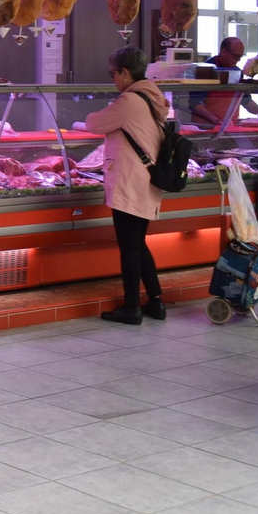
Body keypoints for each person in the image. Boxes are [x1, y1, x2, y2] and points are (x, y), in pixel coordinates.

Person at [85, 46, 169, 325]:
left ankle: (131, 306)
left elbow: (95, 123)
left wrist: (90, 118)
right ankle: (155, 302)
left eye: (113, 73)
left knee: (130, 246)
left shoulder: (130, 100)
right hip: (144, 180)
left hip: (132, 181)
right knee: (138, 243)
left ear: (125, 71)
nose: (113, 79)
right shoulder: (151, 95)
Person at [191, 37, 258, 127]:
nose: (238, 60)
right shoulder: (206, 70)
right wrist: (216, 120)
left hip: (229, 127)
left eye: (240, 56)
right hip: (205, 128)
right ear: (223, 52)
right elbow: (195, 104)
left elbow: (246, 101)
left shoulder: (237, 73)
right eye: (235, 56)